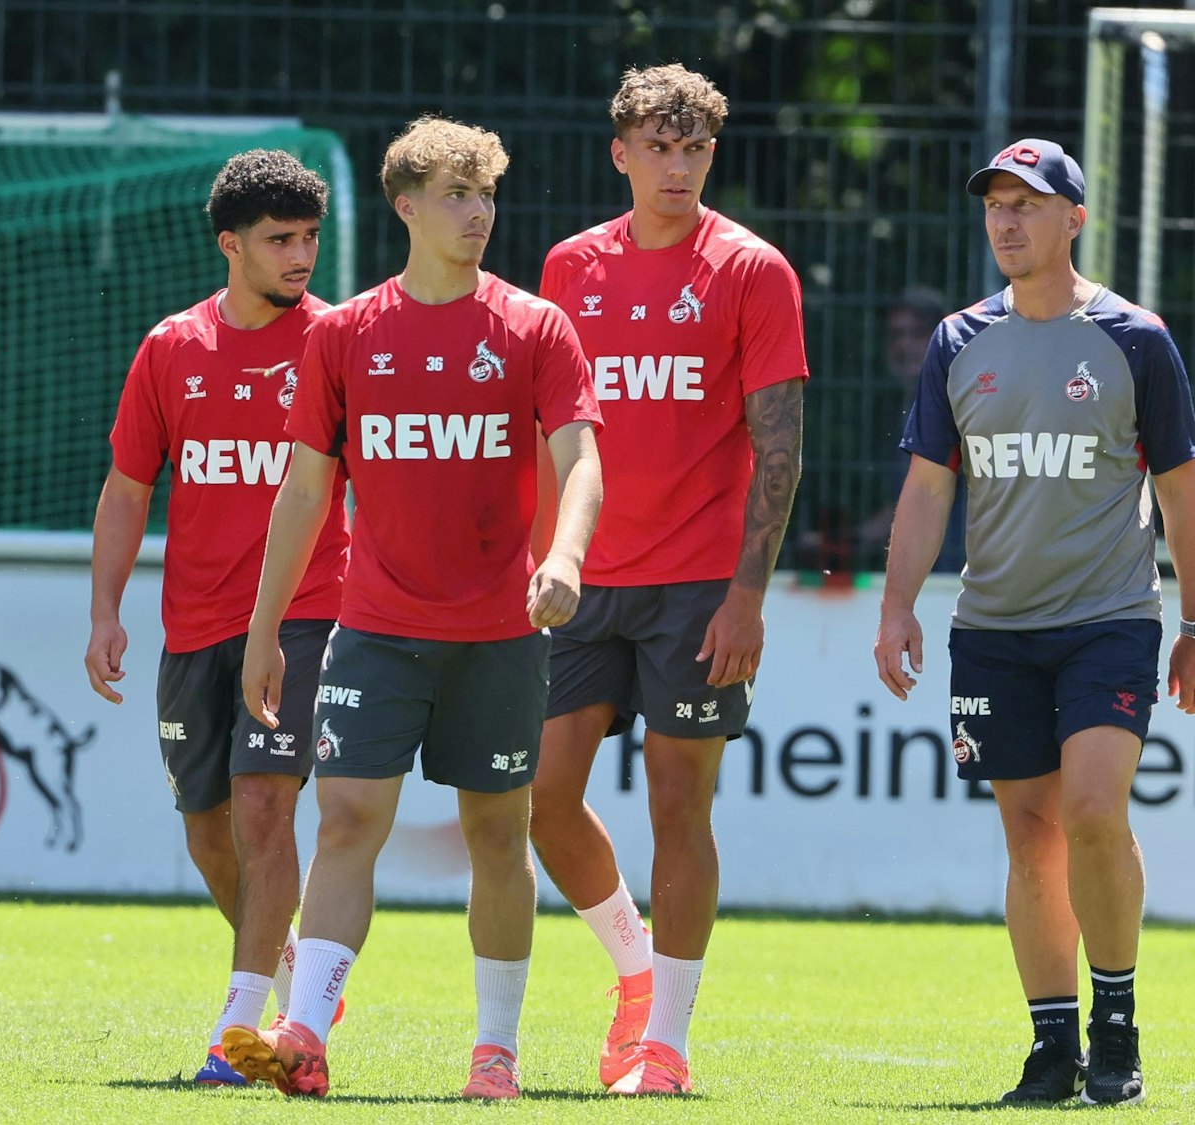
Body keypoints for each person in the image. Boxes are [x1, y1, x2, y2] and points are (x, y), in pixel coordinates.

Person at [224, 116, 604, 1100]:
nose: (477, 214)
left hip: (500, 634)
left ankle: (495, 1052)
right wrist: (263, 631)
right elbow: (303, 491)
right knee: (346, 822)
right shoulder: (346, 334)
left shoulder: (533, 328)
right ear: (405, 205)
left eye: (485, 196)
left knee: (495, 834)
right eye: (455, 195)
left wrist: (563, 555)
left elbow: (580, 458)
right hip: (376, 632)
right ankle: (304, 1033)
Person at [873, 138, 1195, 1108]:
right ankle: (1049, 1048)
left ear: (1073, 217)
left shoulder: (1134, 339)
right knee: (1029, 839)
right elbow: (924, 491)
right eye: (994, 203)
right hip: (992, 628)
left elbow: (1182, 493)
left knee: (1090, 811)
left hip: (1108, 618)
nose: (1005, 219)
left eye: (1026, 203)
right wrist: (897, 604)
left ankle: (1116, 1028)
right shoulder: (954, 342)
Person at [532, 63, 808, 1096]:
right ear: (619, 153)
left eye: (694, 147)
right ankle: (634, 973)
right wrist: (538, 556)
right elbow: (548, 431)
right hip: (582, 576)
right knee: (542, 802)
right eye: (657, 144)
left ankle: (667, 1044)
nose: (677, 165)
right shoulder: (567, 267)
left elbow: (778, 447)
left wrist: (747, 596)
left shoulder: (751, 269)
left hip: (698, 585)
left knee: (676, 807)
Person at [84, 148, 350, 1086]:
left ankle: (238, 1035)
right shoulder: (171, 348)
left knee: (268, 810)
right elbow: (126, 489)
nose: (301, 256)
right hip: (192, 627)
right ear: (230, 244)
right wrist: (105, 609)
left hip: (308, 615)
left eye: (311, 237)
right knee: (210, 832)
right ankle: (297, 970)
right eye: (281, 239)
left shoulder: (338, 341)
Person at [856, 286, 966, 571]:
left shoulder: (959, 399)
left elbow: (924, 496)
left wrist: (854, 540)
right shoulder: (906, 404)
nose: (904, 346)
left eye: (916, 333)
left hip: (958, 572)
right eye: (895, 335)